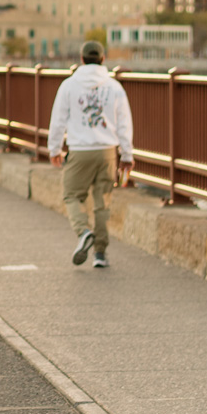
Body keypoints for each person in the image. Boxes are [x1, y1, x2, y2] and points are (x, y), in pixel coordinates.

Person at [48, 38, 134, 268]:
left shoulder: (69, 85)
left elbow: (58, 121)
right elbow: (124, 122)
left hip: (80, 149)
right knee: (102, 203)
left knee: (72, 195)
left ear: (82, 59)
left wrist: (54, 148)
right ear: (103, 59)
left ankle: (83, 231)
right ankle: (100, 254)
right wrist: (127, 154)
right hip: (107, 151)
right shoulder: (114, 86)